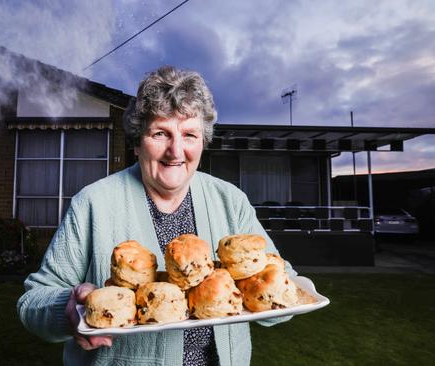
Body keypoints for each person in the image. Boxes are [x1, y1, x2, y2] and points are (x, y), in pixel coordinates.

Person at [17, 66, 296, 366]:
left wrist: (274, 300)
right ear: (137, 142)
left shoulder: (230, 201)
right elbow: (32, 302)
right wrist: (68, 311)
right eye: (161, 133)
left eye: (189, 134)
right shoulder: (93, 203)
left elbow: (284, 284)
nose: (176, 151)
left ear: (203, 142)